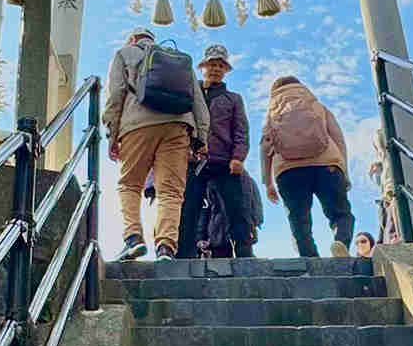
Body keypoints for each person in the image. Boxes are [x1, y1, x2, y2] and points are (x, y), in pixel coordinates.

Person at [105, 29, 208, 260]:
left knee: (130, 185)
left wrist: (112, 135)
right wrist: (201, 138)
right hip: (177, 125)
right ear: (153, 40)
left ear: (133, 39)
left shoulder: (125, 53)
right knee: (171, 191)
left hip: (136, 125)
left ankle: (133, 238)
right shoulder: (178, 58)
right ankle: (166, 247)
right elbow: (198, 100)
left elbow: (116, 94)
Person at [262, 73, 355, 257]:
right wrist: (343, 170)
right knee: (340, 213)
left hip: (288, 171)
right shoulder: (317, 106)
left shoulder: (273, 112)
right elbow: (338, 138)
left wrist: (268, 182)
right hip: (326, 164)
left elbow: (265, 146)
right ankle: (341, 242)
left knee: (299, 221)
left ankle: (311, 260)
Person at [176, 44, 253, 260]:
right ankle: (184, 254)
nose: (216, 69)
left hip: (224, 161)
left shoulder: (233, 98)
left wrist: (238, 157)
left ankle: (245, 252)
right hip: (193, 160)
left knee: (236, 209)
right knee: (188, 207)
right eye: (212, 65)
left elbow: (241, 131)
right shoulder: (190, 95)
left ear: (226, 70)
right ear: (203, 67)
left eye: (220, 65)